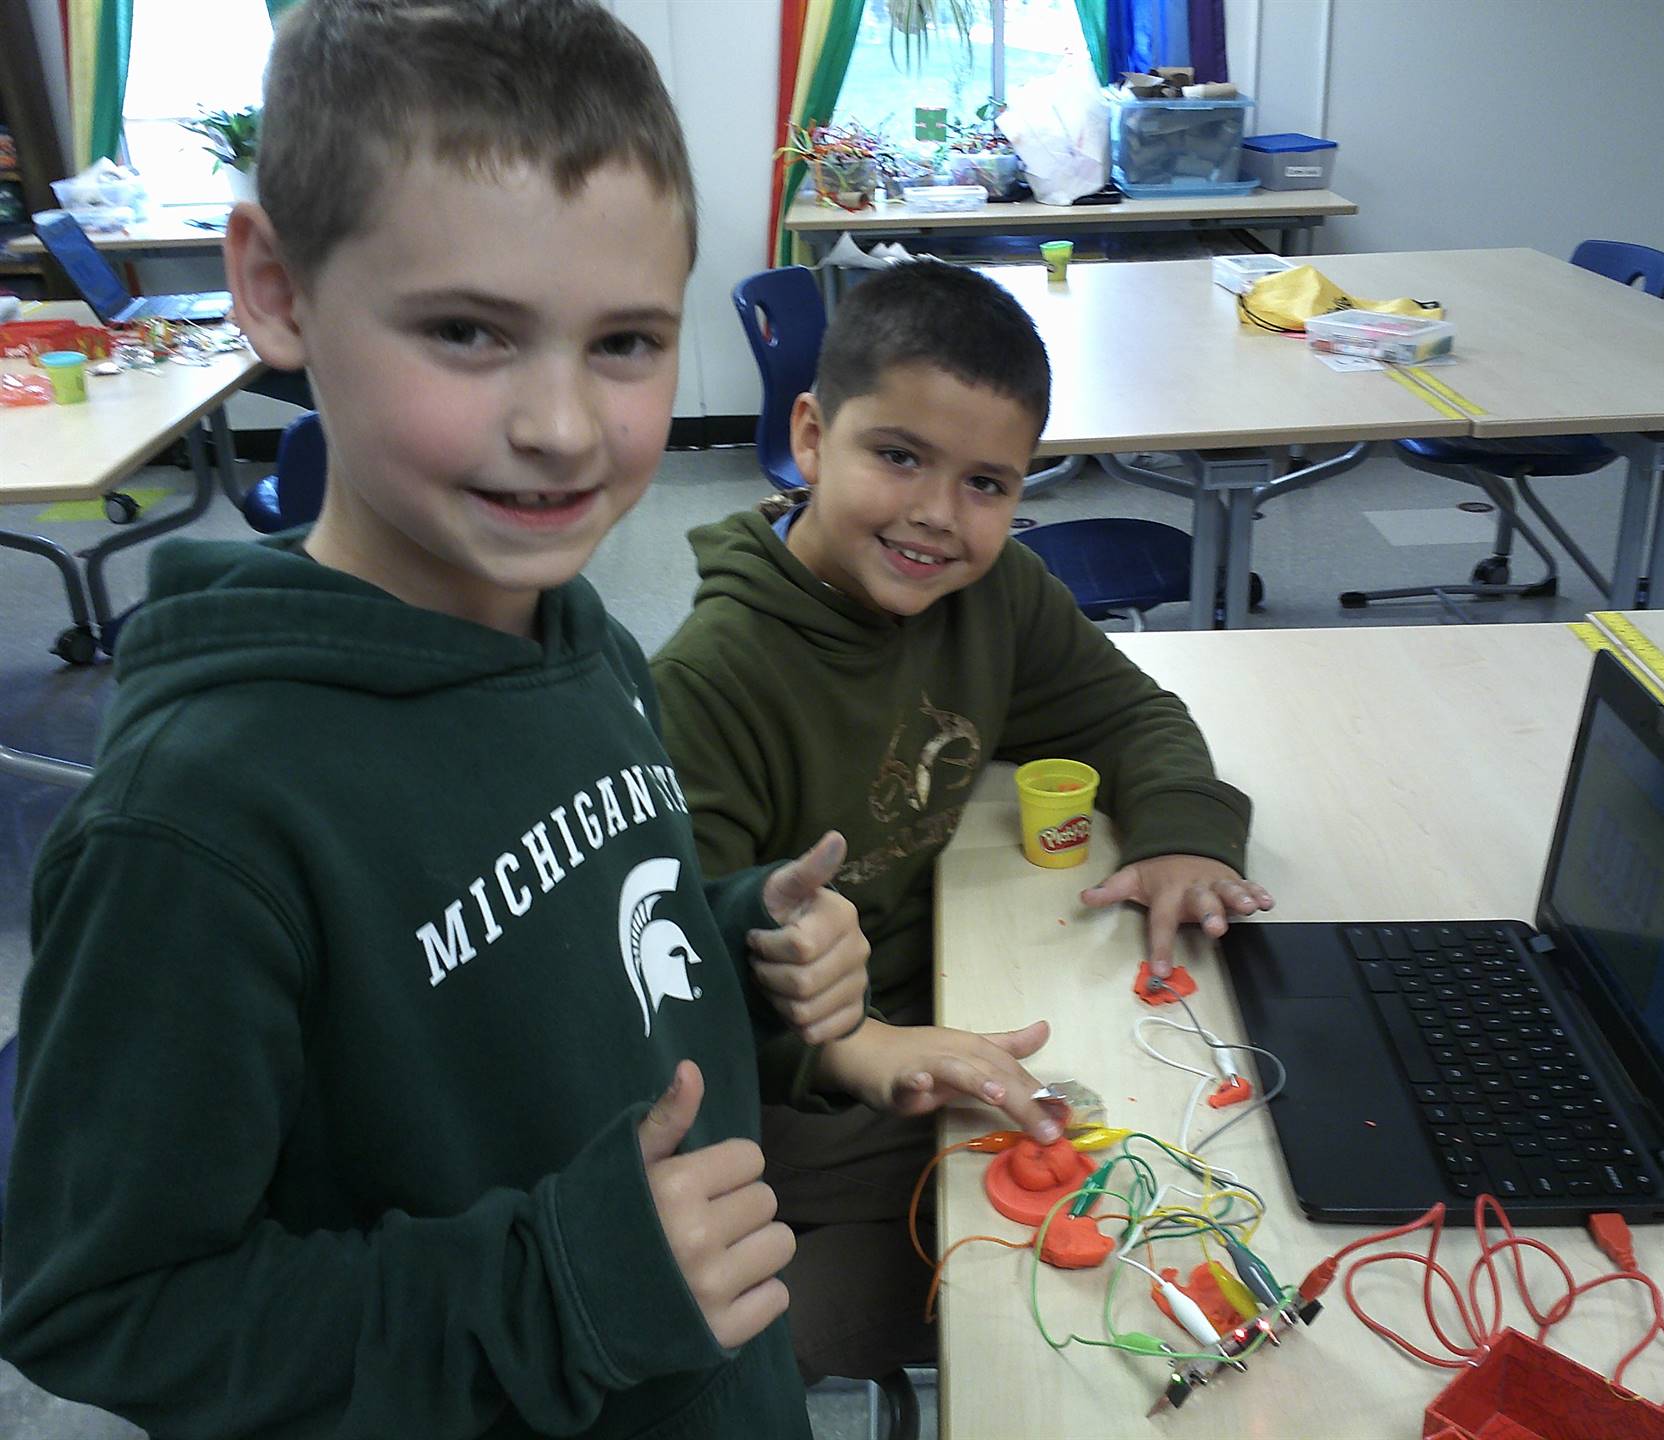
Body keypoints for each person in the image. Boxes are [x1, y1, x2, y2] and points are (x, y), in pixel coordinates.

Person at [0, 4, 959, 1436]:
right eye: (467, 331)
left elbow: (555, 945)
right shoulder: (200, 824)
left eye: (626, 342)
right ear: (274, 286)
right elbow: (101, 1303)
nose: (565, 427)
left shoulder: (575, 637)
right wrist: (556, 1287)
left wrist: (732, 938)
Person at [651, 259, 1275, 1381]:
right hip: (784, 1108)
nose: (939, 516)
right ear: (809, 435)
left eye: (989, 483)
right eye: (898, 458)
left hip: (932, 1014)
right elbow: (672, 989)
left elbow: (1130, 712)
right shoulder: (715, 680)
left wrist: (1182, 831)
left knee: (1180, 1156)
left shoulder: (992, 595)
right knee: (1050, 1308)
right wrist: (857, 1046)